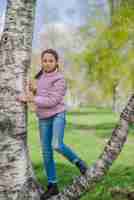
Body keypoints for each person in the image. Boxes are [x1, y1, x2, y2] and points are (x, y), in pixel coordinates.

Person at [17, 49, 87, 199]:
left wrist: (30, 99)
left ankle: (79, 162)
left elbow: (52, 101)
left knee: (56, 144)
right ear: (41, 62)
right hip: (43, 118)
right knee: (46, 152)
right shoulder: (40, 77)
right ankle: (53, 185)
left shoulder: (60, 79)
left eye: (50, 61)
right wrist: (33, 90)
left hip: (57, 115)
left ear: (56, 62)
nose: (47, 63)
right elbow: (41, 94)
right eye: (44, 61)